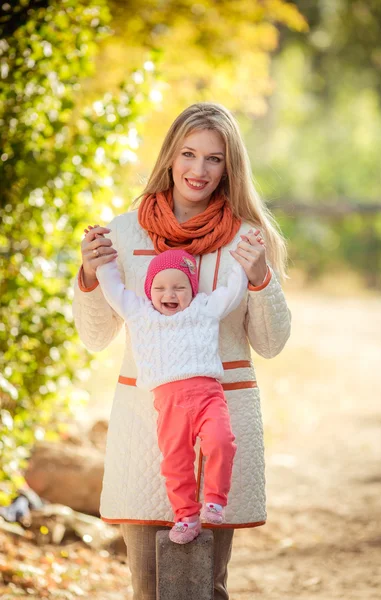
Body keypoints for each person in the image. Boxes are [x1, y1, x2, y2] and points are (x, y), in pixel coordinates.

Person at [73, 102, 291, 600]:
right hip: (145, 426)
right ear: (170, 157)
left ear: (229, 166)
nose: (198, 170)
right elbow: (95, 336)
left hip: (222, 419)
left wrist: (259, 276)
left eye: (214, 159)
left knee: (205, 586)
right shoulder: (124, 234)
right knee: (149, 587)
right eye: (188, 154)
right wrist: (87, 276)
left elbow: (272, 343)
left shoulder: (247, 237)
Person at [95, 246, 249, 544]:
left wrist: (243, 262)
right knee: (175, 462)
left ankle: (215, 501)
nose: (170, 294)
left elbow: (233, 291)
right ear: (148, 290)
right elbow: (113, 290)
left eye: (179, 287)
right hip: (169, 403)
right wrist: (103, 262)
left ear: (191, 290)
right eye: (160, 287)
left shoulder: (204, 308)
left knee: (221, 441)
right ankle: (186, 517)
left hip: (208, 396)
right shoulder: (139, 313)